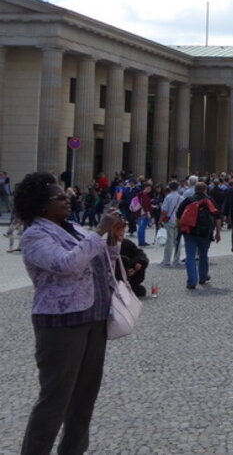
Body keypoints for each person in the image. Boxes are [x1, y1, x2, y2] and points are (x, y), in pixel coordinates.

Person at [16, 172, 119, 455]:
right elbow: (66, 264)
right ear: (41, 206)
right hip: (61, 324)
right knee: (55, 400)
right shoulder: (35, 235)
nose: (67, 200)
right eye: (59, 197)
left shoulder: (72, 227)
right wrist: (99, 232)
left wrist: (111, 241)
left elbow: (99, 261)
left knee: (84, 399)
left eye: (66, 195)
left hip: (93, 318)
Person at [176, 182, 222, 290]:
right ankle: (203, 277)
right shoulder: (210, 201)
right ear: (205, 190)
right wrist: (218, 233)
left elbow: (178, 215)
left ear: (195, 190)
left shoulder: (188, 200)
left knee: (190, 256)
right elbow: (218, 217)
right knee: (203, 255)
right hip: (206, 233)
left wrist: (181, 228)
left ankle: (192, 281)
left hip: (190, 232)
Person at [99, 212, 149, 297]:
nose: (122, 233)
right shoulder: (103, 244)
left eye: (123, 231)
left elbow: (140, 254)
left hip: (128, 277)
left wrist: (137, 263)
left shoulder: (127, 243)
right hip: (110, 279)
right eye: (119, 230)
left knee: (140, 291)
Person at [159, 181, 183, 267]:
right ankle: (177, 259)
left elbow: (164, 211)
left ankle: (167, 260)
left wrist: (160, 220)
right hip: (178, 221)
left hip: (169, 221)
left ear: (169, 188)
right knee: (178, 241)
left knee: (169, 241)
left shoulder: (168, 197)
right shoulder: (181, 197)